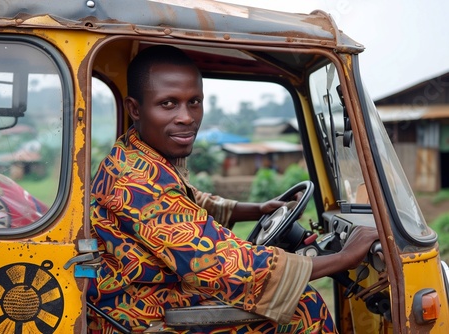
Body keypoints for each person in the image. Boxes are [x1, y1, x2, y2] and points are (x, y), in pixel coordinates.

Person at [87, 45, 378, 333]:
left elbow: (186, 202)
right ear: (135, 109)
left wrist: (257, 209)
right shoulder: (136, 180)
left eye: (194, 102)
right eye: (168, 103)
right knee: (303, 308)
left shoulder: (137, 154)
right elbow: (223, 266)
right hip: (134, 314)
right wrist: (344, 257)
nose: (186, 117)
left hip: (142, 294)